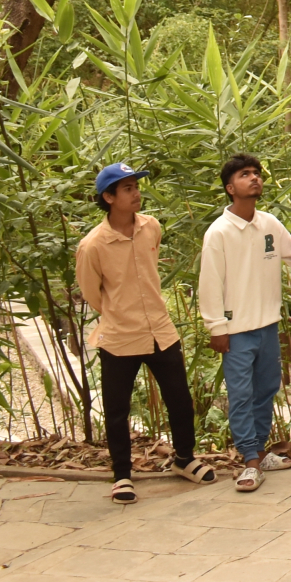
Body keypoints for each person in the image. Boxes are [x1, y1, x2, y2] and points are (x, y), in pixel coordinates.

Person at [77, 163, 213, 503]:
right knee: (117, 408)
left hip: (160, 330)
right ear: (108, 197)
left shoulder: (151, 227)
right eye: (127, 189)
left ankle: (185, 458)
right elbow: (92, 293)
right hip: (120, 335)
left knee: (179, 399)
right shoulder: (93, 245)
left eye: (136, 186)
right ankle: (122, 474)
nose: (136, 193)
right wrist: (119, 312)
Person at [198, 153, 291, 494]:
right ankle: (250, 461)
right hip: (236, 330)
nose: (254, 178)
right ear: (230, 188)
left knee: (266, 390)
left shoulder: (268, 223)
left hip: (268, 324)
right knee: (240, 395)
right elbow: (210, 283)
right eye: (245, 174)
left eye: (257, 173)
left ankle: (260, 451)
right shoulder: (219, 232)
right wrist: (217, 328)